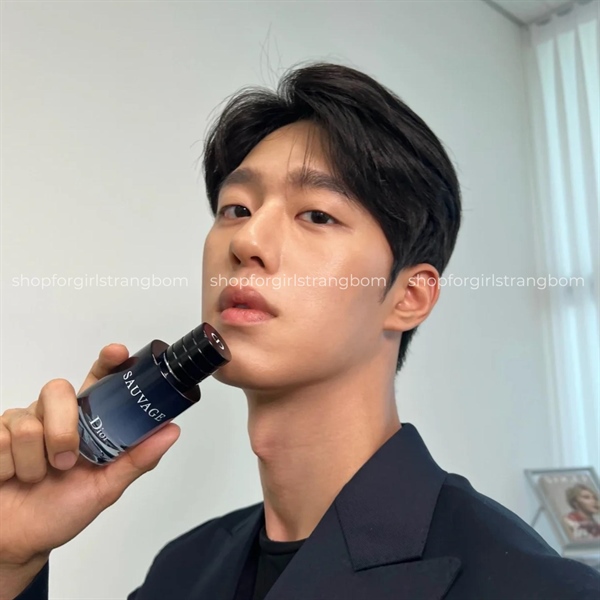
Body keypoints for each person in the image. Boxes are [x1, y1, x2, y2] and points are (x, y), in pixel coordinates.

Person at [1, 61, 599, 600]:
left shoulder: (538, 588)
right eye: (236, 208)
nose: (247, 240)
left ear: (408, 297)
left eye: (316, 214)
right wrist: (11, 561)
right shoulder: (180, 573)